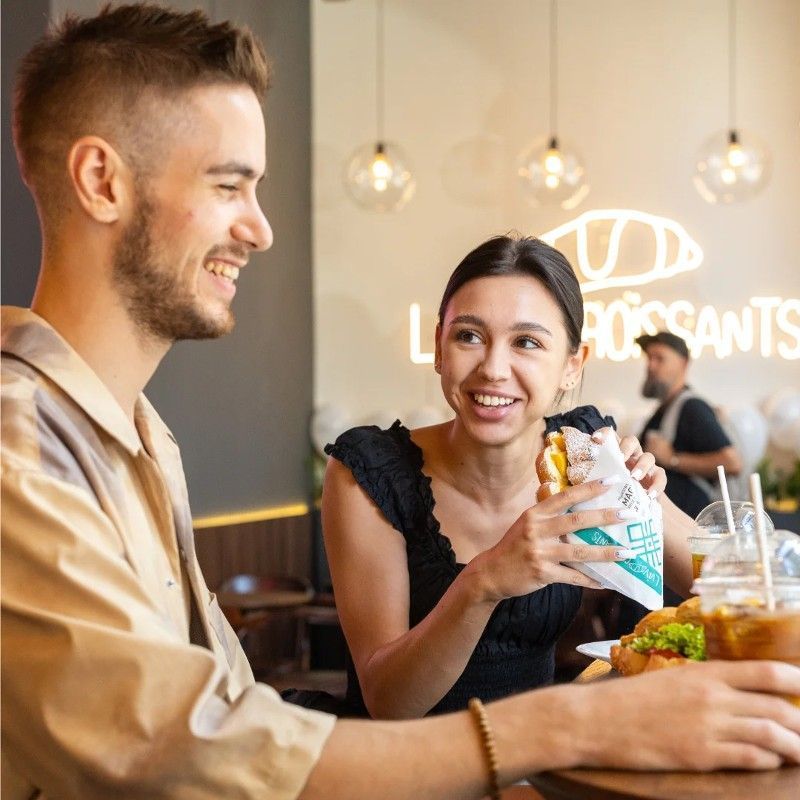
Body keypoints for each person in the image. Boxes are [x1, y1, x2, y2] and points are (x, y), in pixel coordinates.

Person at [2, 6, 799, 800]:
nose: (261, 227)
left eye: (529, 343)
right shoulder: (18, 445)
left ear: (571, 368)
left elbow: (228, 711)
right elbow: (192, 752)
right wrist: (581, 723)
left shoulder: (137, 433)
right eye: (229, 185)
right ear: (102, 180)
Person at [319, 236, 704, 719]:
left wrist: (643, 506)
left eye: (527, 342)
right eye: (469, 336)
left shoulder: (581, 452)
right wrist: (483, 583)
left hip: (536, 771)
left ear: (572, 365)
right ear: (439, 347)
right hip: (406, 774)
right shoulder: (370, 471)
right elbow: (389, 704)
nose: (493, 369)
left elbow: (724, 579)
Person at [636, 331, 742, 519]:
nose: (651, 366)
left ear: (684, 363)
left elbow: (732, 462)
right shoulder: (663, 410)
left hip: (692, 529)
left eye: (660, 358)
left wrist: (673, 459)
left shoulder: (692, 407)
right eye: (649, 358)